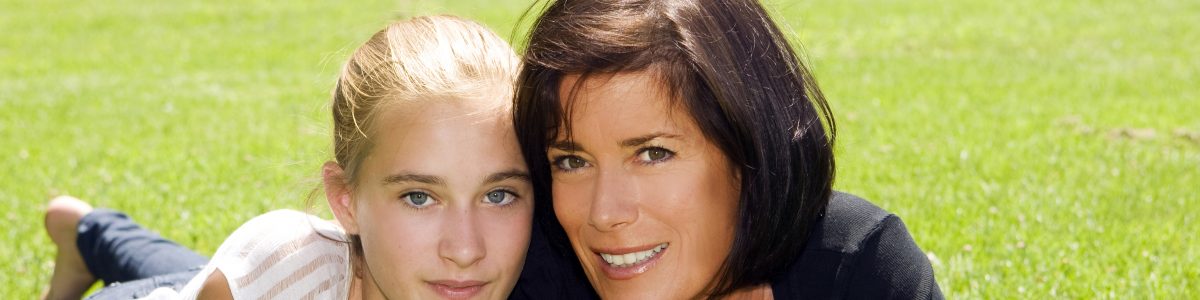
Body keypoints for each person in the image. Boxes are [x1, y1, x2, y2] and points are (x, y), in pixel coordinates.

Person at [42, 15, 532, 300]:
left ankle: (86, 230)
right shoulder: (287, 269)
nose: (466, 250)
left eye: (498, 194)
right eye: (420, 197)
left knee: (193, 267)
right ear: (344, 199)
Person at [509, 0, 943, 299]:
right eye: (572, 161)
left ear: (749, 154)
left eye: (653, 153)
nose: (604, 212)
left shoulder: (857, 272)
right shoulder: (535, 278)